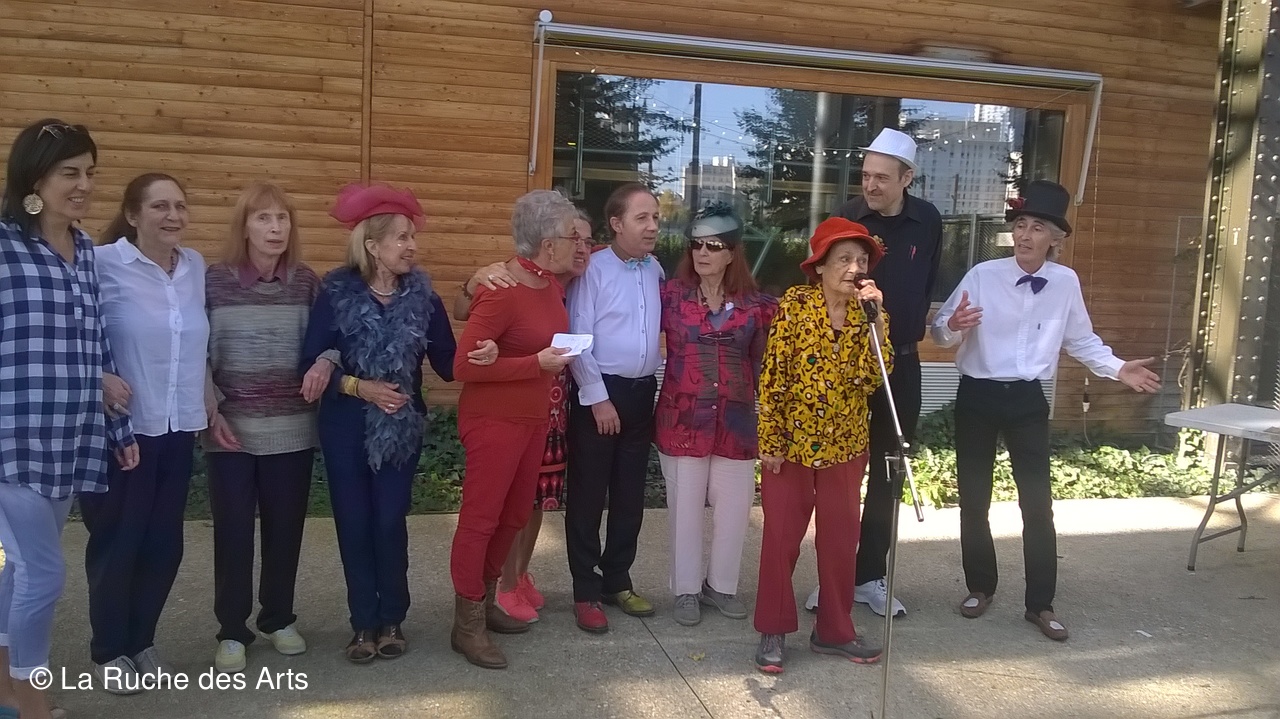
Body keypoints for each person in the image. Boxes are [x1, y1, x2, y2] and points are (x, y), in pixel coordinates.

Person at [931, 180, 1160, 641]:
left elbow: (1081, 340)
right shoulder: (983, 275)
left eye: (1037, 227)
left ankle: (1040, 604)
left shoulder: (1065, 282)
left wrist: (1118, 368)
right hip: (977, 395)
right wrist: (952, 325)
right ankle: (980, 586)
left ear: (1055, 238)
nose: (1025, 234)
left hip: (1028, 399)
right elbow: (940, 332)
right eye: (1021, 225)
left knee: (1037, 504)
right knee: (974, 499)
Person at [0, 119, 138, 719]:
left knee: (17, 567)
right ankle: (32, 697)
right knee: (42, 572)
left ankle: (4, 688)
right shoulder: (4, 246)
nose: (83, 184)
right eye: (69, 173)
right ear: (35, 179)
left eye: (89, 172)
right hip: (11, 438)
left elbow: (97, 347)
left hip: (69, 436)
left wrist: (118, 428)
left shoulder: (83, 252)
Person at [299, 183, 459, 663]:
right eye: (402, 238)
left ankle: (392, 618)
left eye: (412, 236)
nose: (412, 246)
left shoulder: (425, 300)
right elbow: (309, 362)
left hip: (400, 430)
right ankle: (362, 624)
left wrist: (488, 341)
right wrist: (359, 386)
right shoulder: (335, 295)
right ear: (372, 245)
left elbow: (449, 364)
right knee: (353, 523)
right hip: (345, 427)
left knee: (389, 521)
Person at [807, 127, 943, 618]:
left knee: (889, 470)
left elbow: (926, 285)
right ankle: (834, 578)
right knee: (839, 473)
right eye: (866, 175)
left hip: (901, 362)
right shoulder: (845, 218)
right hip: (847, 363)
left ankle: (869, 576)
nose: (871, 185)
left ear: (907, 178)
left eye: (882, 177)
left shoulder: (928, 220)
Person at [204, 182, 339, 673]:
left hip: (291, 429)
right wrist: (211, 409)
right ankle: (231, 630)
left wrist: (324, 361)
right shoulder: (214, 281)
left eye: (282, 218)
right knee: (233, 533)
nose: (275, 228)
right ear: (244, 227)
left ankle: (278, 618)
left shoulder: (306, 282)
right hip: (230, 430)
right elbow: (194, 351)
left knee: (285, 530)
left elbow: (333, 337)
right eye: (263, 218)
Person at [82, 172, 209, 692]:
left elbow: (197, 344)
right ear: (133, 215)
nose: (172, 216)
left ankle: (141, 641)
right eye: (159, 206)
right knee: (119, 541)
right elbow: (71, 330)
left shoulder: (195, 266)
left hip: (178, 427)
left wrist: (210, 399)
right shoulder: (99, 262)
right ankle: (109, 650)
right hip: (123, 431)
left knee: (163, 543)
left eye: (179, 205)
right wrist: (96, 376)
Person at [753, 217, 892, 674]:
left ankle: (834, 630)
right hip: (790, 444)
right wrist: (770, 439)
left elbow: (873, 379)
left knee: (840, 541)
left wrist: (876, 323)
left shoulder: (870, 314)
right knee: (780, 538)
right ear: (820, 266)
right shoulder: (795, 305)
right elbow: (774, 376)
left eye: (861, 260)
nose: (855, 268)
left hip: (845, 445)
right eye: (844, 259)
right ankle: (773, 628)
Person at [448, 190, 580, 669]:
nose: (579, 244)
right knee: (480, 519)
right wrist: (534, 364)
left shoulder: (549, 284)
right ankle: (467, 624)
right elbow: (462, 365)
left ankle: (484, 602)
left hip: (532, 419)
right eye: (572, 236)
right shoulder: (502, 288)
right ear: (548, 244)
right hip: (493, 422)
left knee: (514, 517)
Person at [655, 203, 776, 627]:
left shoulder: (757, 306)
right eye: (696, 245)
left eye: (713, 246)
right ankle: (686, 590)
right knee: (684, 511)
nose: (702, 253)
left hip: (736, 424)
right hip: (682, 421)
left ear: (732, 253)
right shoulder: (669, 296)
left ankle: (721, 586)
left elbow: (765, 365)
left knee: (735, 511)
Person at [564, 183, 663, 634]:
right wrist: (597, 397)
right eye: (642, 218)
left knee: (629, 496)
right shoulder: (593, 271)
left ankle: (617, 580)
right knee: (588, 496)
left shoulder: (654, 269)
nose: (653, 226)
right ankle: (585, 591)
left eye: (656, 217)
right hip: (601, 395)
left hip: (642, 394)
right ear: (617, 223)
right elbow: (577, 337)